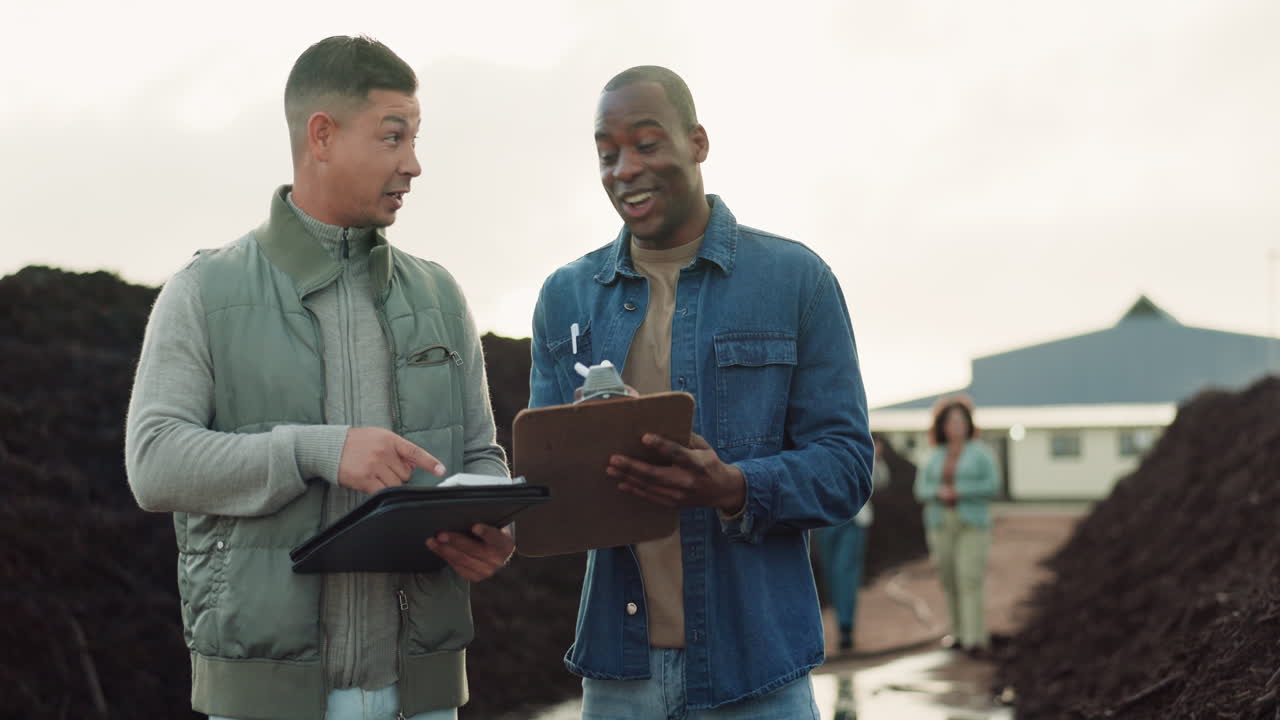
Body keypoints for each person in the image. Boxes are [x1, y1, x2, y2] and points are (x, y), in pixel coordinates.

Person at [124, 35, 513, 720]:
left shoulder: (440, 294)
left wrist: (491, 530)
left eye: (416, 138)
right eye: (393, 137)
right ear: (322, 136)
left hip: (424, 699)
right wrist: (317, 450)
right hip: (265, 701)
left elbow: (480, 454)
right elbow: (154, 462)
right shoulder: (202, 291)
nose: (414, 164)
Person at [529, 65, 874, 719]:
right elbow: (545, 497)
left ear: (698, 143)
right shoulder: (565, 298)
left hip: (759, 672)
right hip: (619, 676)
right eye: (607, 153)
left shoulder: (796, 281)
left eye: (646, 142)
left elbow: (849, 468)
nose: (624, 168)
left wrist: (733, 487)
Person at [913, 395, 1000, 658]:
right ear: (942, 426)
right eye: (951, 421)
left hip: (972, 523)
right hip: (941, 523)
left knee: (968, 576)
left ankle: (975, 638)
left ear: (969, 424)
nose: (956, 426)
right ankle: (959, 634)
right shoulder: (932, 456)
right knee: (949, 578)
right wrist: (939, 493)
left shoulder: (982, 454)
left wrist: (959, 491)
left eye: (961, 421)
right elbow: (921, 489)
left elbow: (993, 485)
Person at [815, 435, 890, 652]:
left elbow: (881, 480)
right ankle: (841, 622)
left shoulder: (858, 438)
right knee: (830, 572)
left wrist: (875, 458)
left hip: (854, 519)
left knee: (844, 571)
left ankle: (846, 628)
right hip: (825, 519)